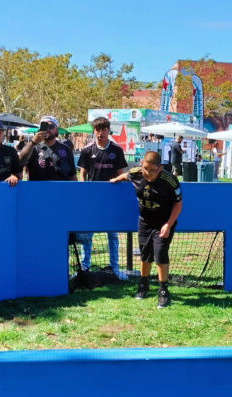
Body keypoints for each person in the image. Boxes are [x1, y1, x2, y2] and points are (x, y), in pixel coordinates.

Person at [111, 151, 182, 309]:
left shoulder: (170, 180)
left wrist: (168, 225)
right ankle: (143, 285)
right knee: (145, 254)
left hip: (163, 222)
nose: (147, 173)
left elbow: (178, 204)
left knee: (160, 253)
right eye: (145, 169)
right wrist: (116, 179)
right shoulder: (136, 173)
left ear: (159, 168)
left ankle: (163, 291)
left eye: (151, 170)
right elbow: (127, 175)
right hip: (144, 221)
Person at [76, 117, 129, 280]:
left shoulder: (117, 150)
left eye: (103, 129)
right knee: (87, 234)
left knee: (112, 234)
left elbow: (122, 175)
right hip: (92, 200)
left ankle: (115, 268)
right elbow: (82, 173)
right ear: (94, 131)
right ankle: (84, 268)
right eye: (97, 130)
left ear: (108, 131)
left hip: (111, 200)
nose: (100, 133)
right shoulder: (86, 150)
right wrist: (84, 191)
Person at [20, 116, 76, 181]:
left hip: (60, 190)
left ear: (57, 130)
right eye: (44, 126)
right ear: (39, 130)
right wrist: (33, 143)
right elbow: (19, 163)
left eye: (51, 126)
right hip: (38, 190)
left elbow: (73, 175)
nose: (47, 129)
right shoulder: (31, 148)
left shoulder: (66, 149)